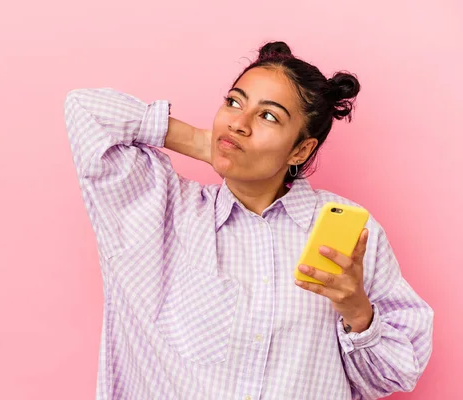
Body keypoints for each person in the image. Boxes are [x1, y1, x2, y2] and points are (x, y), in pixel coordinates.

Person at [64, 41, 433, 400]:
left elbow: (396, 374)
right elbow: (85, 110)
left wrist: (357, 310)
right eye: (233, 102)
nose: (239, 122)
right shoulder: (160, 211)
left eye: (269, 115)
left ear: (301, 149)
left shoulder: (349, 235)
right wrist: (200, 141)